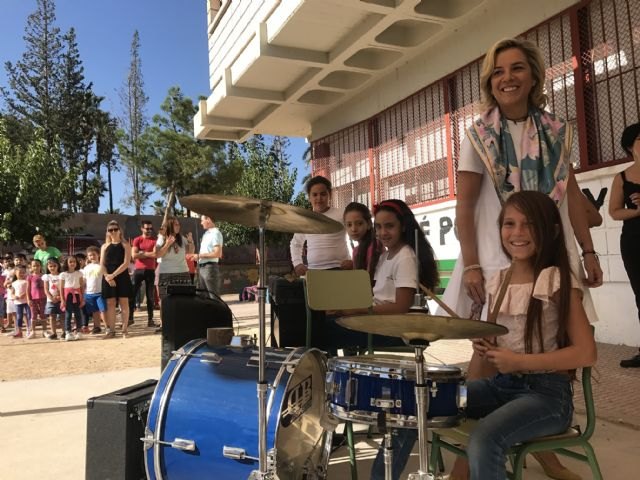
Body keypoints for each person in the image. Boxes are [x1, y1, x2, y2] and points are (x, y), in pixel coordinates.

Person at [442, 38, 602, 480]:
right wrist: (472, 263)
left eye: (516, 69)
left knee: (550, 344)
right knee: (486, 356)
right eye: (497, 71)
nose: (507, 78)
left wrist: (587, 251)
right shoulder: (477, 134)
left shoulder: (557, 130)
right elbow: (466, 208)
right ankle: (464, 467)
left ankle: (543, 448)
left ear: (533, 76)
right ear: (489, 82)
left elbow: (571, 199)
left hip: (549, 247)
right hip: (496, 253)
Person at [463, 191, 597, 479]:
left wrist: (518, 362)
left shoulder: (557, 279)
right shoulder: (498, 280)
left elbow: (587, 352)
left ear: (553, 230)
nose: (517, 233)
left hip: (547, 396)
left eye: (530, 224)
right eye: (509, 224)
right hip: (500, 387)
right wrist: (484, 348)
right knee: (426, 400)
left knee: (486, 439)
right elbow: (488, 355)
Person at [335, 199, 439, 480]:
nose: (382, 232)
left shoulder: (404, 256)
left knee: (323, 331)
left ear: (403, 227)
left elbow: (402, 305)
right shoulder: (386, 255)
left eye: (388, 226)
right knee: (325, 319)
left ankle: (333, 395)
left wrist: (360, 310)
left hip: (390, 330)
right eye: (378, 226)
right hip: (376, 322)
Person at [609, 122, 640, 368]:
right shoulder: (622, 177)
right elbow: (614, 212)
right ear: (630, 147)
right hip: (634, 241)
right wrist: (638, 211)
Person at [290, 175, 352, 275]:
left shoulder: (342, 214)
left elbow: (357, 236)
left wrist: (354, 261)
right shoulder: (306, 219)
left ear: (330, 195)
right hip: (313, 272)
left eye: (323, 194)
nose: (319, 198)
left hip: (341, 270)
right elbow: (295, 243)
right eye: (315, 195)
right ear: (309, 197)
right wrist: (297, 263)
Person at [155, 217, 194, 328]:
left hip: (183, 272)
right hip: (166, 273)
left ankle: (182, 324)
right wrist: (167, 244)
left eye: (178, 224)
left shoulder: (181, 238)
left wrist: (190, 241)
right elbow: (157, 254)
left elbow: (190, 252)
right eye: (176, 224)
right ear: (170, 226)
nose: (178, 226)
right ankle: (166, 325)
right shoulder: (161, 239)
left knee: (184, 300)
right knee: (165, 302)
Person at [100, 220, 133, 339]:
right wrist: (107, 276)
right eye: (110, 230)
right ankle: (112, 331)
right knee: (110, 303)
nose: (113, 232)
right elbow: (102, 264)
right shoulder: (104, 246)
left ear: (119, 231)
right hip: (108, 276)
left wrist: (113, 275)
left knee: (124, 302)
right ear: (107, 232)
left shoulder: (126, 245)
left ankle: (124, 330)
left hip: (122, 275)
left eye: (115, 229)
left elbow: (126, 263)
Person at [343, 202, 382, 285]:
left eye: (359, 223)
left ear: (368, 224)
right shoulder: (356, 250)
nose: (353, 229)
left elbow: (369, 280)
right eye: (349, 225)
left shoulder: (375, 246)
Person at [129, 220, 157, 327]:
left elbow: (155, 254)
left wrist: (142, 253)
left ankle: (150, 320)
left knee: (150, 296)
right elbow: (134, 255)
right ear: (142, 228)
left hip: (150, 270)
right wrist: (147, 254)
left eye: (151, 228)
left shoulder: (155, 240)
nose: (149, 230)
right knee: (132, 294)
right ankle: (130, 318)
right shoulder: (137, 240)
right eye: (147, 228)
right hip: (138, 270)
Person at [190, 215, 223, 298]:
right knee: (201, 297)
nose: (201, 223)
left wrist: (199, 256)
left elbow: (217, 253)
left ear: (208, 219)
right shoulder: (206, 234)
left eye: (202, 220)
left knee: (213, 298)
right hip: (201, 267)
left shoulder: (215, 233)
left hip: (209, 268)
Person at [82, 246, 106, 334]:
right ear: (87, 257)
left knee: (103, 310)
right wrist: (83, 292)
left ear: (99, 255)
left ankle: (107, 326)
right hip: (89, 292)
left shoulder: (101, 266)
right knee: (94, 311)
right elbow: (84, 281)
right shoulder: (86, 268)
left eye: (94, 255)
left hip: (100, 292)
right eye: (90, 255)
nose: (92, 257)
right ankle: (97, 327)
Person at [60, 255, 85, 341]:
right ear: (66, 263)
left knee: (78, 313)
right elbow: (61, 288)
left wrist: (83, 298)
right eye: (70, 262)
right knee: (68, 314)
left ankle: (79, 331)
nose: (72, 263)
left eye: (74, 261)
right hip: (68, 295)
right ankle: (68, 332)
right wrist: (62, 299)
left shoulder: (79, 273)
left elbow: (82, 286)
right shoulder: (63, 274)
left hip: (77, 294)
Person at [43, 258, 63, 340]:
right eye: (50, 266)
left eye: (54, 266)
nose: (52, 268)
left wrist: (60, 297)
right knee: (52, 316)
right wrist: (51, 297)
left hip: (61, 299)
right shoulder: (46, 276)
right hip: (50, 300)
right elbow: (46, 289)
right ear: (47, 267)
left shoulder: (61, 275)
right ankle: (54, 332)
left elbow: (63, 287)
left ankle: (64, 331)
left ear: (58, 266)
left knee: (62, 316)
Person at [27, 259, 47, 336]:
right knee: (33, 314)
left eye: (38, 265)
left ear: (41, 266)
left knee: (43, 314)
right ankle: (33, 331)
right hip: (33, 299)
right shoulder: (30, 277)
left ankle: (44, 331)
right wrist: (29, 299)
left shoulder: (44, 276)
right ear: (31, 267)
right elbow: (28, 289)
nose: (36, 267)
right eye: (34, 266)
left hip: (43, 298)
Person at [10, 265, 31, 339]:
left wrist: (24, 294)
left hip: (27, 301)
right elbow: (12, 293)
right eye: (20, 272)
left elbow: (28, 290)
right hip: (18, 302)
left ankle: (29, 330)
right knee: (19, 317)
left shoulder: (27, 281)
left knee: (29, 315)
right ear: (15, 273)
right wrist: (14, 296)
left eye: (23, 272)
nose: (22, 274)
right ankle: (19, 331)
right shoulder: (13, 283)